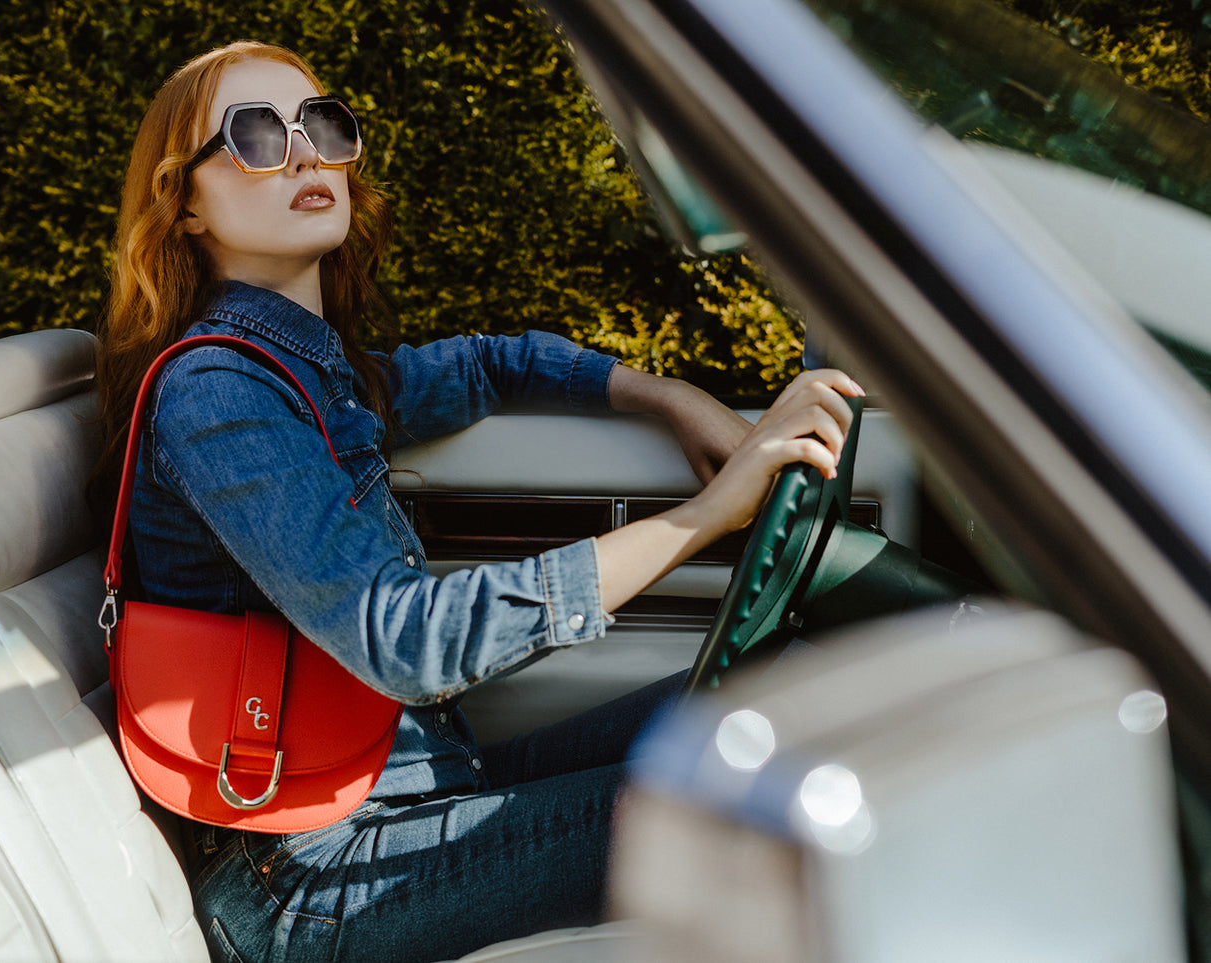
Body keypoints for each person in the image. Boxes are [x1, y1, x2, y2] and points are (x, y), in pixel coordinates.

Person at [95, 39, 862, 963]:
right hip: (306, 877)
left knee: (792, 696)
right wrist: (703, 517)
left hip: (415, 794)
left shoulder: (314, 369)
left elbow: (488, 363)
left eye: (322, 126)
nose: (305, 154)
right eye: (256, 136)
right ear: (182, 203)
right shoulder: (218, 390)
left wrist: (662, 395)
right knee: (763, 802)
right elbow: (403, 639)